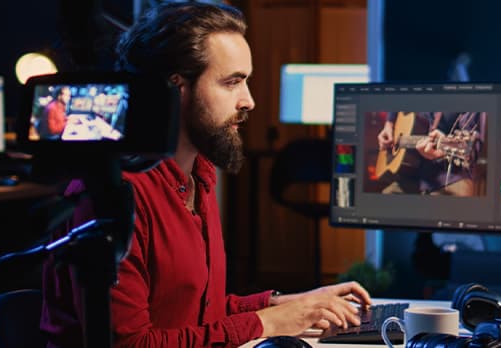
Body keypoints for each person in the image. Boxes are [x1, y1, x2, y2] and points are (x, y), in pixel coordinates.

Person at [41, 3, 372, 348]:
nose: (249, 101)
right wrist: (263, 324)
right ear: (176, 88)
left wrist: (284, 305)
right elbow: (133, 344)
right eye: (232, 83)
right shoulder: (113, 196)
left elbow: (193, 313)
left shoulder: (200, 177)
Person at [375, 111, 483, 195]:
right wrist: (389, 123)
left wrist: (442, 151)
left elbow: (473, 147)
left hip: (448, 176)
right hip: (412, 174)